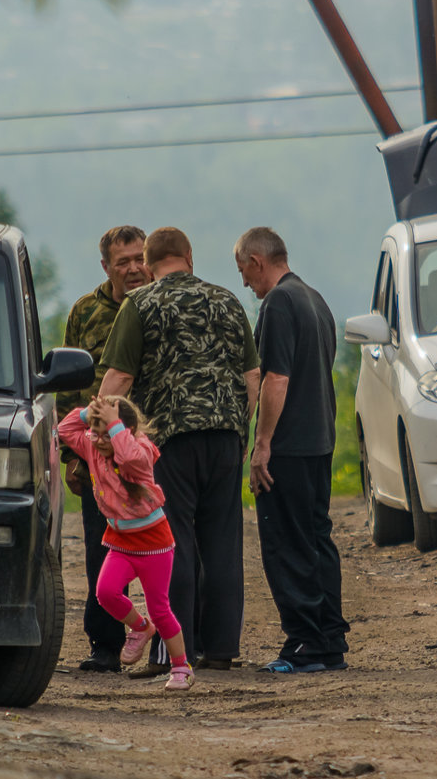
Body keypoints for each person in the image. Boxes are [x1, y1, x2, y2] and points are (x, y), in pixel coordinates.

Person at [99, 226, 260, 678]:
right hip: (225, 437)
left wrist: (97, 433)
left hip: (170, 442)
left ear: (148, 265)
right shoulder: (228, 300)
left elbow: (118, 379)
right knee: (223, 543)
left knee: (173, 545)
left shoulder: (141, 304)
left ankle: (175, 651)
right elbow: (253, 376)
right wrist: (239, 430)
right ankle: (222, 648)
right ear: (189, 256)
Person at [233, 225, 350, 674]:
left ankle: (304, 643)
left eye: (243, 269)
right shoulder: (314, 299)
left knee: (286, 544)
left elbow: (275, 379)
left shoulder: (279, 303)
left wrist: (261, 445)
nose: (244, 281)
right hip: (319, 441)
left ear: (257, 262)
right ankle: (330, 640)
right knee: (317, 540)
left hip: (290, 447)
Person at [56, 225, 151, 673]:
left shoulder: (161, 304)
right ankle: (106, 645)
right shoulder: (86, 312)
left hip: (147, 453)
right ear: (106, 267)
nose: (134, 269)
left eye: (140, 258)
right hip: (97, 456)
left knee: (158, 550)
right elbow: (69, 388)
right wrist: (71, 456)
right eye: (123, 262)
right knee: (102, 549)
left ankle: (163, 643)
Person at [57, 394, 194, 691]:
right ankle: (141, 627)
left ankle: (181, 667)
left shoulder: (139, 450)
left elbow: (131, 457)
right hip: (120, 539)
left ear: (126, 431)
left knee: (161, 608)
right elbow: (65, 431)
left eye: (108, 434)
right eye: (96, 433)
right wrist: (88, 414)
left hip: (153, 541)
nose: (99, 440)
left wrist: (114, 424)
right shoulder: (93, 449)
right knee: (105, 592)